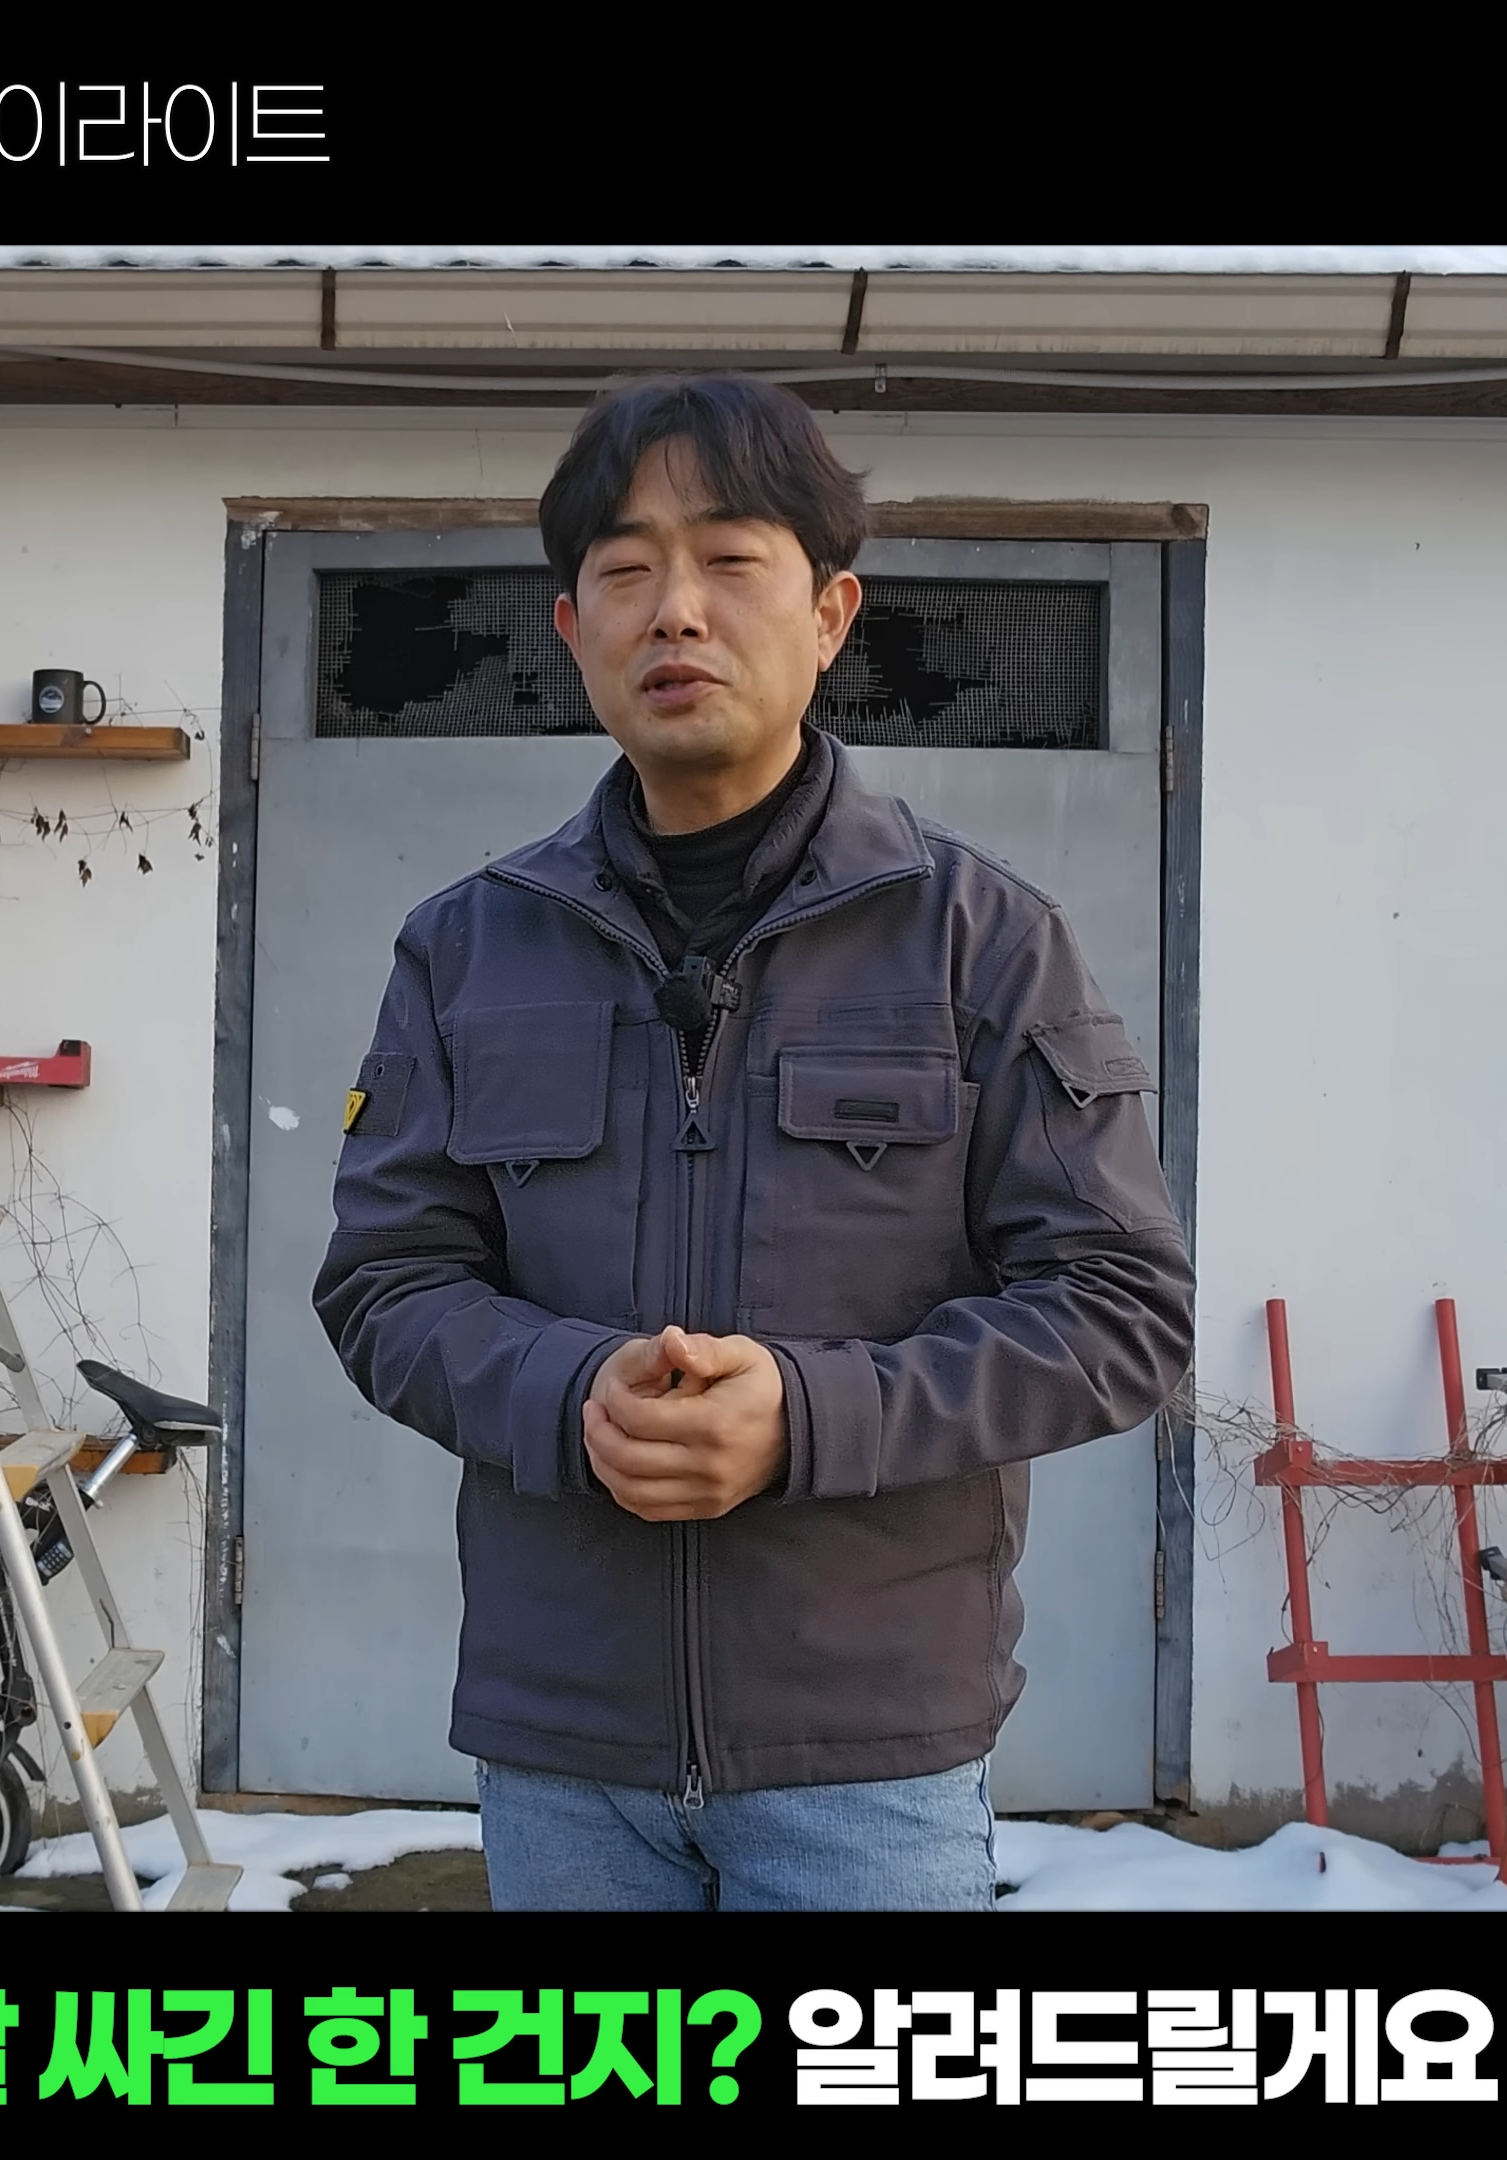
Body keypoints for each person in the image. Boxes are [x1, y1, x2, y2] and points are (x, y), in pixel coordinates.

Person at [311, 372, 1195, 1910]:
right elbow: (386, 1283)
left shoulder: (982, 941)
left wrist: (809, 1416)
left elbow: (1122, 1311)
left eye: (730, 559)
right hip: (565, 1751)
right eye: (627, 570)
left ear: (832, 612)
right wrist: (568, 1392)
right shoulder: (468, 946)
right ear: (570, 626)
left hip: (871, 1760)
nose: (677, 610)